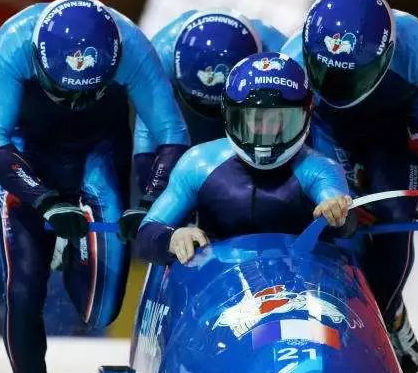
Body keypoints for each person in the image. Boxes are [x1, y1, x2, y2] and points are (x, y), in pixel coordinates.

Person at [0, 0, 189, 373]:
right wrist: (45, 201)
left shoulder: (130, 44)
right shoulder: (13, 43)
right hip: (27, 159)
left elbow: (170, 131)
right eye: (62, 91)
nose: (73, 104)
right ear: (41, 64)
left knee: (99, 310)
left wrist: (148, 203)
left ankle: (72, 249)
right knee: (23, 288)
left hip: (96, 157)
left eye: (86, 93)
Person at [282, 0, 418, 373]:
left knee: (393, 220)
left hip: (399, 128)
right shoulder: (293, 56)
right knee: (337, 223)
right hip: (328, 129)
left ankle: (388, 313)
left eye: (351, 76)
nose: (337, 86)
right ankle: (341, 323)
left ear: (388, 54)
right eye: (324, 72)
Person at [135, 52, 351, 266]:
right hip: (218, 291)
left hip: (298, 289)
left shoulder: (322, 170)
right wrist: (172, 238)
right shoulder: (197, 163)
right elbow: (147, 232)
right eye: (254, 118)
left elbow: (346, 219)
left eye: (278, 119)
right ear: (230, 114)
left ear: (306, 115)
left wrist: (335, 210)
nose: (265, 130)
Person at [120, 9, 287, 241]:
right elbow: (149, 133)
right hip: (187, 117)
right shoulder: (160, 53)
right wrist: (152, 199)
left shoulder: (280, 56)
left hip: (248, 117)